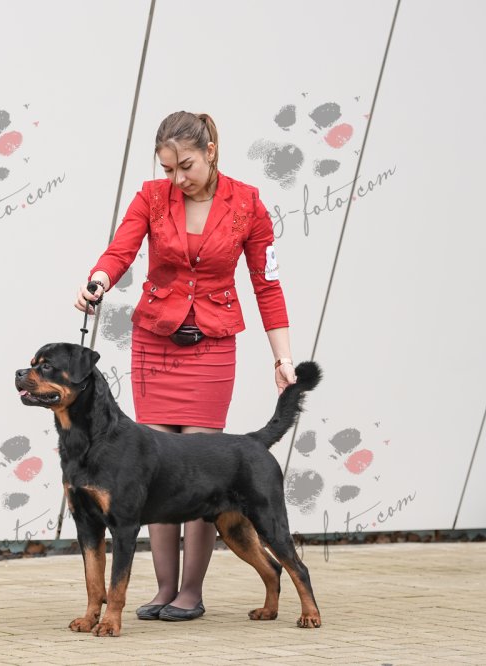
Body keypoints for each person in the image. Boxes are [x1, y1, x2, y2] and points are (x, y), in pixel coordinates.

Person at [74, 111, 295, 622]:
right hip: (154, 345)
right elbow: (121, 249)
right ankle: (162, 588)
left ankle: (190, 593)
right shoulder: (151, 197)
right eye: (168, 169)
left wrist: (282, 359)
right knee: (150, 471)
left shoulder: (248, 203)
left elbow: (267, 284)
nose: (177, 179)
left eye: (186, 166)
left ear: (210, 151)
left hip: (212, 348)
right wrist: (99, 279)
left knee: (199, 471)